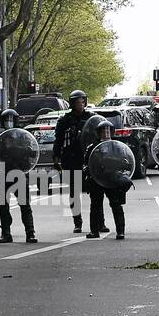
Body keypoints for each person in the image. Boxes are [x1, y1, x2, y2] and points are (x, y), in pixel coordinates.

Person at [0, 109, 36, 244]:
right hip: (3, 175)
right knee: (3, 206)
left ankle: (30, 233)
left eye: (11, 119)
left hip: (19, 174)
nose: (8, 122)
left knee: (25, 205)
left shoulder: (23, 137)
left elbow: (31, 154)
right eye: (6, 119)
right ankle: (6, 233)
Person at [52, 89, 91, 233]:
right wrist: (56, 158)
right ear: (72, 103)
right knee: (75, 193)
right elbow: (58, 140)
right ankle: (78, 222)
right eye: (77, 102)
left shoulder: (91, 118)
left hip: (88, 158)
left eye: (82, 101)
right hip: (71, 158)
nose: (80, 104)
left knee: (95, 192)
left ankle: (99, 222)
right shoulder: (64, 120)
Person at [83, 122, 129, 239]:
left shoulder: (117, 146)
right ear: (98, 133)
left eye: (108, 131)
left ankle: (120, 231)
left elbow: (124, 161)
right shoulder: (92, 147)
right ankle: (94, 231)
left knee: (116, 204)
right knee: (95, 206)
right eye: (103, 131)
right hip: (97, 179)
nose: (106, 133)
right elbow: (86, 164)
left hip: (112, 179)